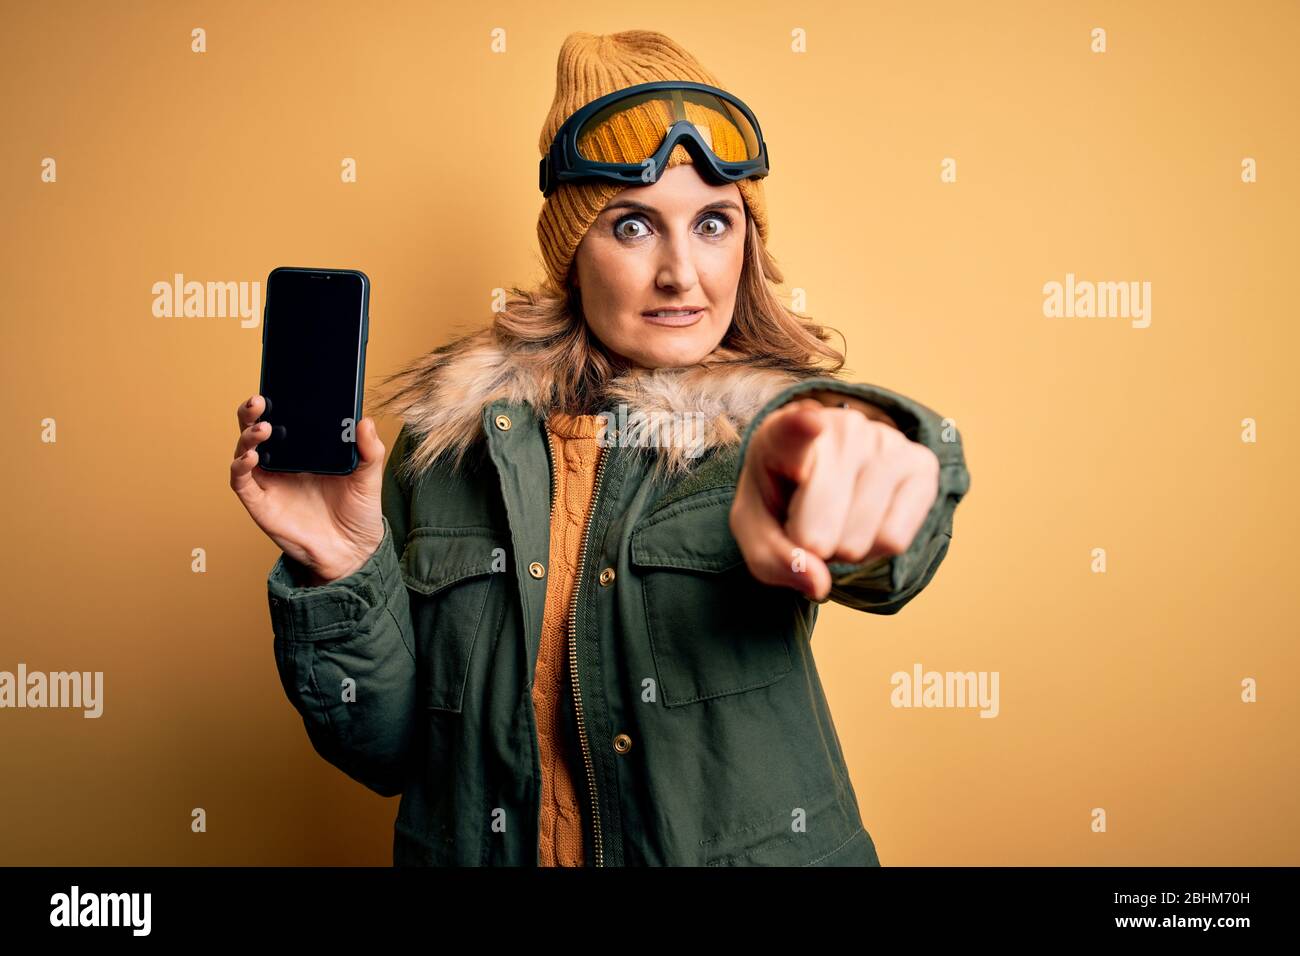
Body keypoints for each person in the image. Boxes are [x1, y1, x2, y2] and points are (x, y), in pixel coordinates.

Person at [230, 30, 970, 866]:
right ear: (570, 252)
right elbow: (385, 753)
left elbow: (894, 522)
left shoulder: (774, 431)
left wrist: (887, 460)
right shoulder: (443, 451)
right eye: (632, 226)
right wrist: (342, 567)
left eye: (714, 222)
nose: (682, 274)